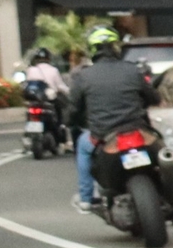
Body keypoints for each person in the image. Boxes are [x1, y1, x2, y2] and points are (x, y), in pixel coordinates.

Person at [64, 27, 157, 211]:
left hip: (103, 135)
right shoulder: (133, 71)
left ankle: (86, 198)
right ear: (116, 48)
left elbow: (73, 109)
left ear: (93, 50)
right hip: (139, 130)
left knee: (83, 147)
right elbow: (154, 98)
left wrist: (70, 121)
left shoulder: (84, 76)